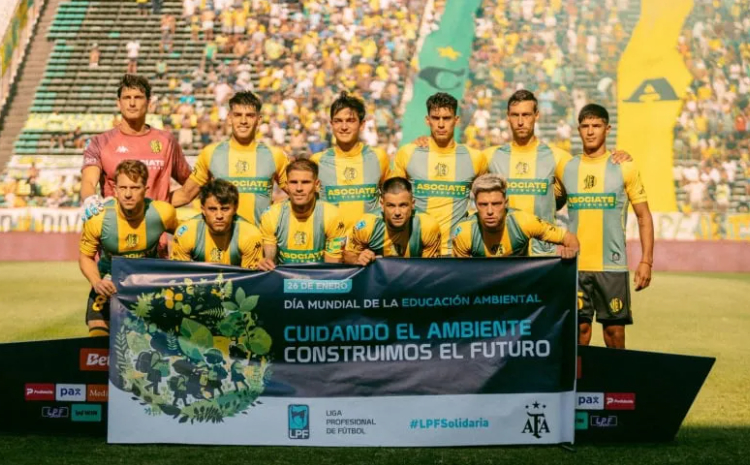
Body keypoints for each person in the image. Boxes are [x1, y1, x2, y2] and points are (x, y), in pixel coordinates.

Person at [483, 90, 630, 256]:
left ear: (536, 115)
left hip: (542, 256)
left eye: (526, 115)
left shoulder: (557, 157)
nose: (521, 121)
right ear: (508, 117)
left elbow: (591, 173)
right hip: (503, 255)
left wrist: (617, 156)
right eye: (515, 115)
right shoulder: (490, 156)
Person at [561, 104, 654, 349]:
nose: (590, 131)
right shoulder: (567, 167)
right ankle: (580, 376)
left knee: (614, 334)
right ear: (578, 130)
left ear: (607, 129)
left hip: (612, 266)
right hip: (575, 266)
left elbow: (643, 216)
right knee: (579, 333)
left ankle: (617, 377)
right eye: (585, 126)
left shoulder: (624, 166)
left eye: (596, 126)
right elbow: (548, 205)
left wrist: (646, 260)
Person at [79, 160, 178, 337]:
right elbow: (85, 256)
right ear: (115, 190)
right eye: (123, 188)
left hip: (148, 286)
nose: (128, 194)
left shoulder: (163, 213)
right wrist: (97, 282)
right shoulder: (98, 217)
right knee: (97, 340)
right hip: (108, 284)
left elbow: (186, 235)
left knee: (152, 342)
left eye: (135, 188)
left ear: (145, 189)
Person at [389, 92, 487, 255]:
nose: (441, 124)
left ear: (456, 120)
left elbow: (487, 200)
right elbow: (392, 202)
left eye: (447, 118)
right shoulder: (408, 153)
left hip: (456, 252)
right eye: (435, 118)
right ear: (428, 120)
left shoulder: (475, 158)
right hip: (415, 250)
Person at [80, 74, 191, 219]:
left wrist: (161, 204)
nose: (132, 103)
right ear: (118, 103)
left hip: (156, 232)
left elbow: (190, 186)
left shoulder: (166, 141)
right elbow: (88, 181)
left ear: (149, 103)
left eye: (138, 97)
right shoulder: (99, 142)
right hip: (115, 229)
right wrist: (90, 199)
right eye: (127, 98)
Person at [170, 91, 289, 225]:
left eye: (250, 116)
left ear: (259, 120)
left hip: (260, 236)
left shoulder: (275, 155)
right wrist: (153, 205)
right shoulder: (211, 153)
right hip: (222, 238)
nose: (243, 121)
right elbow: (185, 195)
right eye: (237, 115)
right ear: (229, 118)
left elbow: (300, 193)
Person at [310, 92, 389, 230]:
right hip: (332, 242)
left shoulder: (378, 157)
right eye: (338, 121)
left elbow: (394, 198)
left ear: (362, 124)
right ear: (331, 124)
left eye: (350, 121)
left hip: (370, 241)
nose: (344, 127)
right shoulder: (317, 161)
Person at [452, 174, 579, 258]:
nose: (490, 211)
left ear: (506, 203)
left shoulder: (524, 222)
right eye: (483, 204)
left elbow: (569, 238)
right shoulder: (465, 232)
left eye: (496, 204)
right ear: (475, 204)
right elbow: (461, 274)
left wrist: (571, 251)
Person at [258, 159, 346, 269]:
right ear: (287, 185)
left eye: (305, 182)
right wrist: (266, 262)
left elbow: (332, 267)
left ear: (316, 185)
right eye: (293, 182)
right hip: (284, 278)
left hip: (319, 277)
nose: (299, 188)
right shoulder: (272, 214)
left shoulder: (332, 215)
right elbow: (269, 257)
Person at [344, 177, 441, 265]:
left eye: (403, 205)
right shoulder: (367, 225)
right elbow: (348, 254)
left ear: (412, 204)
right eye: (391, 206)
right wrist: (358, 259)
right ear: (382, 205)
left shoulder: (427, 225)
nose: (397, 212)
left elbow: (430, 268)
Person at [172, 179, 264, 269]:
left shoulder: (250, 235)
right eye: (212, 209)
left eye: (225, 209)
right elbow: (178, 275)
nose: (219, 215)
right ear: (203, 210)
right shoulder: (186, 233)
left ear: (235, 209)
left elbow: (251, 278)